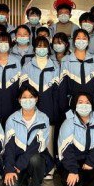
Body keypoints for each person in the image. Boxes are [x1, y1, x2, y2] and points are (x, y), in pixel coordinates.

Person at [3, 86, 53, 186]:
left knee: (35, 159)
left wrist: (20, 164)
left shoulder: (43, 118)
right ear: (19, 100)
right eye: (24, 97)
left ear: (36, 99)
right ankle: (23, 181)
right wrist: (10, 168)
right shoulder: (12, 119)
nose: (27, 100)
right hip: (16, 160)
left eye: (31, 97)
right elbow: (9, 146)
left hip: (36, 156)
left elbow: (38, 145)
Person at [20, 36, 62, 165]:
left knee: (48, 140)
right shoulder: (27, 66)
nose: (42, 48)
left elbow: (57, 93)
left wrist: (55, 112)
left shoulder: (55, 66)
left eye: (44, 46)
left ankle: (50, 167)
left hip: (50, 110)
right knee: (32, 140)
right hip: (31, 110)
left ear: (48, 48)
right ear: (34, 49)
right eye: (39, 46)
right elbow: (23, 90)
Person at [57, 91, 94, 186]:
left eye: (87, 102)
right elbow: (66, 150)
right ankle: (79, 178)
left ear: (92, 105)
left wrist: (90, 162)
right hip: (73, 160)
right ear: (75, 105)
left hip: (90, 160)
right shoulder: (68, 123)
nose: (84, 105)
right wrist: (73, 170)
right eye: (80, 102)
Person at [60, 28, 94, 114]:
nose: (81, 41)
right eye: (78, 38)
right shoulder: (66, 60)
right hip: (72, 105)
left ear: (88, 41)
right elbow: (62, 89)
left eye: (84, 38)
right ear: (74, 41)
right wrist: (66, 112)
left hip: (91, 104)